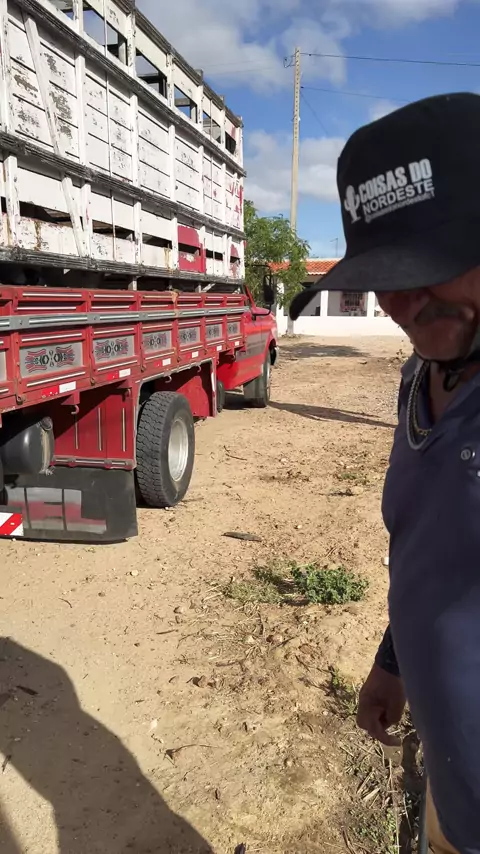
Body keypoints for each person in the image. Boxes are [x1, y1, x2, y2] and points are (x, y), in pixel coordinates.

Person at [289, 92, 480, 854]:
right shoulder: (418, 382)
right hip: (452, 805)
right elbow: (428, 552)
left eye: (429, 266)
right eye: (385, 275)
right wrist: (393, 662)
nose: (400, 302)